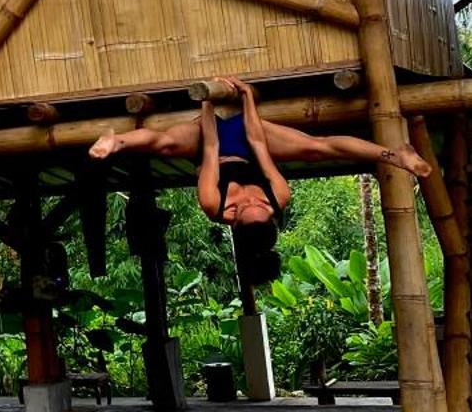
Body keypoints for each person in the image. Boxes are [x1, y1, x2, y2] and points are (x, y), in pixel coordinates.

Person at [89, 76, 430, 286]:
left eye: (245, 207)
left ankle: (115, 142)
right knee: (316, 147)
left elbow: (209, 147)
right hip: (252, 142)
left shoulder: (213, 203)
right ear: (271, 213)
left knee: (164, 144)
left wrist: (207, 103)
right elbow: (258, 145)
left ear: (232, 220)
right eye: (260, 206)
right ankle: (395, 155)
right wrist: (250, 100)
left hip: (208, 143)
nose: (252, 201)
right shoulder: (278, 195)